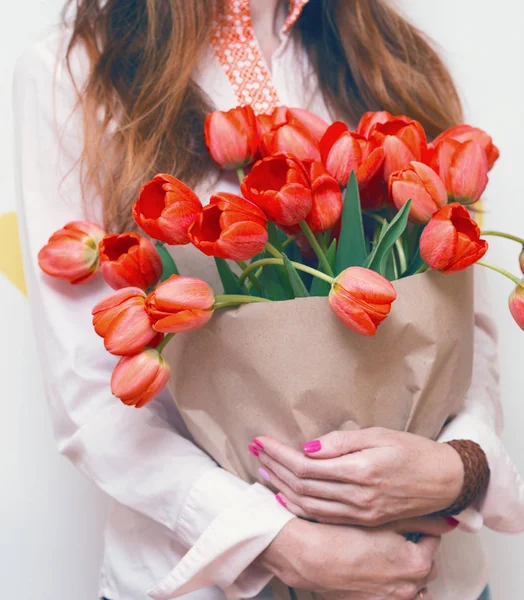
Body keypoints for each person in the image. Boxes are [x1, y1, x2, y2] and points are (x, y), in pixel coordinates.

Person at [13, 1, 524, 599]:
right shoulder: (69, 73)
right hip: (207, 585)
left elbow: (467, 327)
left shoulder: (391, 55)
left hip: (430, 575)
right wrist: (276, 539)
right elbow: (92, 398)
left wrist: (459, 469)